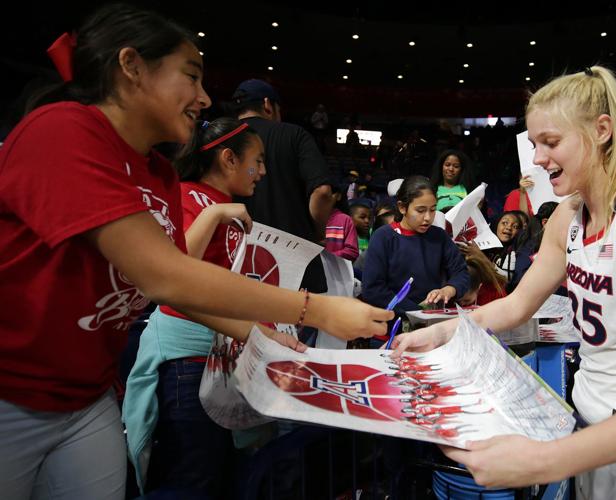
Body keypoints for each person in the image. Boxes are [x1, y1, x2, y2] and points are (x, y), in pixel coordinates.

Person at [0, 6, 391, 499]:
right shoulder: (62, 129)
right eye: (191, 76)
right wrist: (318, 309)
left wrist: (263, 334)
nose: (204, 98)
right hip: (11, 394)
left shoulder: (159, 175)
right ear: (131, 66)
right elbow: (166, 277)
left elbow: (173, 288)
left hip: (86, 396)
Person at [393, 66, 616, 497]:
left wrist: (543, 460)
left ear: (602, 130)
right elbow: (516, 305)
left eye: (551, 142)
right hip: (592, 426)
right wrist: (440, 332)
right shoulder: (568, 215)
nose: (538, 159)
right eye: (534, 145)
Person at [122, 117, 277, 496]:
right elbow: (172, 273)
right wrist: (212, 215)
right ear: (228, 159)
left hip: (222, 357)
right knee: (192, 477)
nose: (263, 171)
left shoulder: (230, 206)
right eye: (257, 160)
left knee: (218, 474)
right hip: (188, 362)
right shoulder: (189, 197)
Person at [231, 78, 333, 293]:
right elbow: (322, 192)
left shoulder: (220, 138)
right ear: (268, 105)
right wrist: (316, 233)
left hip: (233, 259)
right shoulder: (293, 134)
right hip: (293, 260)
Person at [362, 175, 469, 316]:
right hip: (392, 324)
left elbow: (461, 273)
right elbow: (373, 289)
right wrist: (416, 312)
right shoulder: (383, 237)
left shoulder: (439, 236)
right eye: (420, 210)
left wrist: (449, 290)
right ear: (402, 207)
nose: (428, 217)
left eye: (432, 210)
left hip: (432, 323)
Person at [324, 184, 359, 261]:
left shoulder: (345, 220)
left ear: (338, 196)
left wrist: (327, 257)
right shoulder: (308, 218)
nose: (323, 196)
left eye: (327, 193)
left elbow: (352, 251)